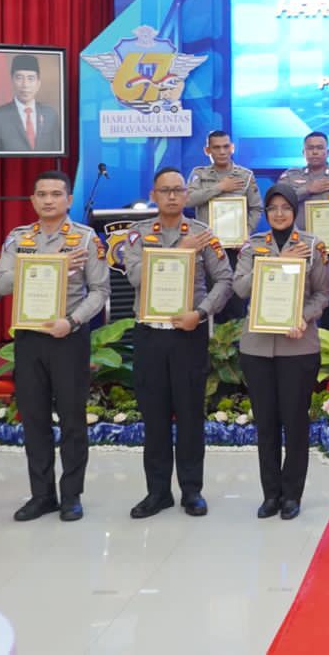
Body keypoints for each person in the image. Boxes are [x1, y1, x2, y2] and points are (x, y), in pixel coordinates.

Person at [114, 166, 233, 520]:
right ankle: (158, 491)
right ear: (153, 195)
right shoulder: (135, 236)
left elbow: (224, 280)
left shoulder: (202, 233)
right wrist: (179, 252)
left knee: (191, 412)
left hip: (188, 332)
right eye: (164, 190)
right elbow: (134, 275)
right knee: (154, 415)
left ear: (186, 195)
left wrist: (201, 313)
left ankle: (192, 490)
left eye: (177, 190)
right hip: (150, 333)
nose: (171, 196)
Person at [0, 171, 110, 523]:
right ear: (32, 200)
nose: (48, 200)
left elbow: (100, 291)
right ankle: (41, 494)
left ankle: (71, 495)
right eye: (41, 194)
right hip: (29, 337)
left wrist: (73, 322)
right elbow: (0, 284)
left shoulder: (86, 238)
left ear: (69, 199)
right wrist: (49, 262)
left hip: (67, 337)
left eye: (56, 194)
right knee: (34, 419)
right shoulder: (19, 239)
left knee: (73, 419)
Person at [232, 185, 329, 521]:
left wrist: (303, 317)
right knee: (266, 424)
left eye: (285, 207)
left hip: (298, 345)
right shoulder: (253, 245)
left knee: (295, 421)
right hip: (257, 346)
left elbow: (323, 292)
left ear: (294, 211)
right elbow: (240, 287)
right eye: (272, 207)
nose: (278, 213)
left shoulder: (312, 245)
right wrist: (277, 261)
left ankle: (292, 494)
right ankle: (270, 494)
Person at [278, 131, 329, 330]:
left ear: (328, 151)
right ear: (303, 151)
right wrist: (309, 189)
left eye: (319, 148)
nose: (315, 152)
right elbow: (278, 203)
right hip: (296, 249)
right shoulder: (290, 176)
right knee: (294, 296)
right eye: (310, 148)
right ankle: (293, 339)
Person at [187, 131, 263, 318]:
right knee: (208, 302)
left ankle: (236, 344)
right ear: (208, 150)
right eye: (216, 147)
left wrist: (245, 232)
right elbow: (187, 200)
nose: (222, 151)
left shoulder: (245, 176)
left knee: (236, 301)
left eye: (226, 146)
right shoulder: (199, 174)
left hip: (236, 250)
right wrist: (219, 187)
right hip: (207, 249)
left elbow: (256, 209)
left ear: (232, 148)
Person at [0, 54, 62, 154]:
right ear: (12, 81)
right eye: (19, 78)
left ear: (38, 83)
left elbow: (57, 148)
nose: (25, 85)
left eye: (30, 78)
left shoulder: (50, 114)